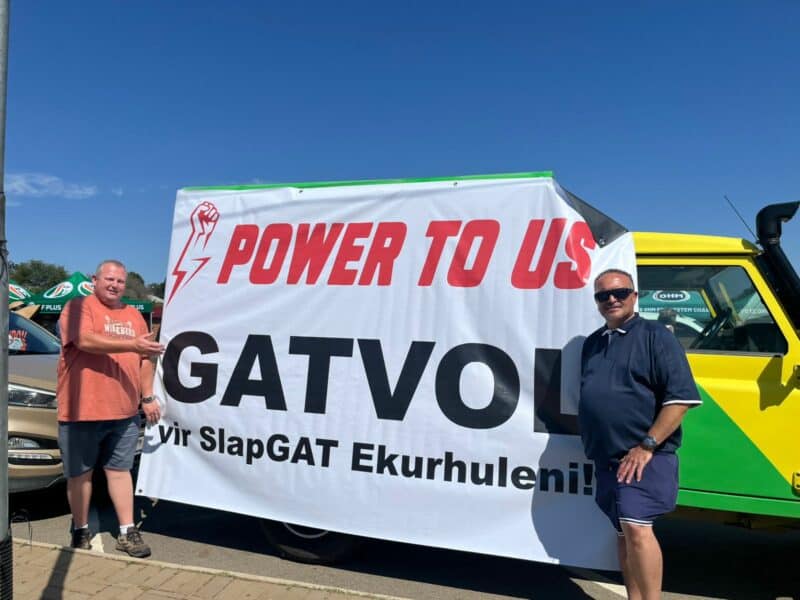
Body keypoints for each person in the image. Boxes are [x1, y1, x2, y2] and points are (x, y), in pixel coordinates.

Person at [579, 269, 701, 600]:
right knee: (623, 533)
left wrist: (647, 446)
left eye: (619, 293)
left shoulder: (655, 335)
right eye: (603, 295)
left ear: (634, 296)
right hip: (607, 458)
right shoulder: (593, 343)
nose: (612, 299)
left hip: (643, 457)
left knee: (637, 529)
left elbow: (680, 399)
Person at [57, 260, 164, 557]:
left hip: (125, 413)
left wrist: (147, 396)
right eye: (109, 279)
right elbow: (84, 340)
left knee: (120, 472)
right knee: (80, 475)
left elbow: (145, 360)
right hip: (82, 411)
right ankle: (80, 530)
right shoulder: (78, 307)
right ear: (95, 279)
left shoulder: (133, 314)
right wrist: (132, 344)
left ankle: (127, 531)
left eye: (120, 281)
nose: (115, 285)